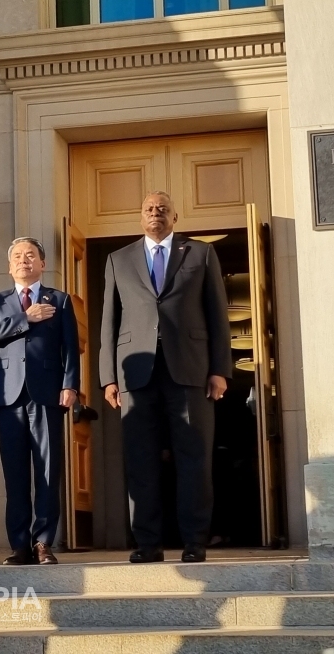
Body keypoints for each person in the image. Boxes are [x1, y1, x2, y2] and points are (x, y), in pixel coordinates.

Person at [99, 191, 231, 564]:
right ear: (140, 218)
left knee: (194, 457)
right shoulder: (118, 259)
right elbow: (108, 321)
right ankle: (147, 543)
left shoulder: (201, 253)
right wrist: (108, 377)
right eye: (148, 209)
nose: (155, 213)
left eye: (163, 209)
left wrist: (220, 369)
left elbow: (217, 314)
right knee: (140, 459)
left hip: (190, 370)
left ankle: (194, 541)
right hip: (135, 373)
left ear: (176, 218)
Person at [0, 237, 79, 565]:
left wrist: (70, 385)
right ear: (10, 267)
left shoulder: (61, 300)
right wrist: (28, 318)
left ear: (42, 263)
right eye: (18, 257)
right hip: (7, 396)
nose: (25, 261)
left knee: (48, 470)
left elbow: (70, 347)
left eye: (31, 256)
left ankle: (44, 543)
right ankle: (20, 545)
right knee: (16, 473)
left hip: (47, 393)